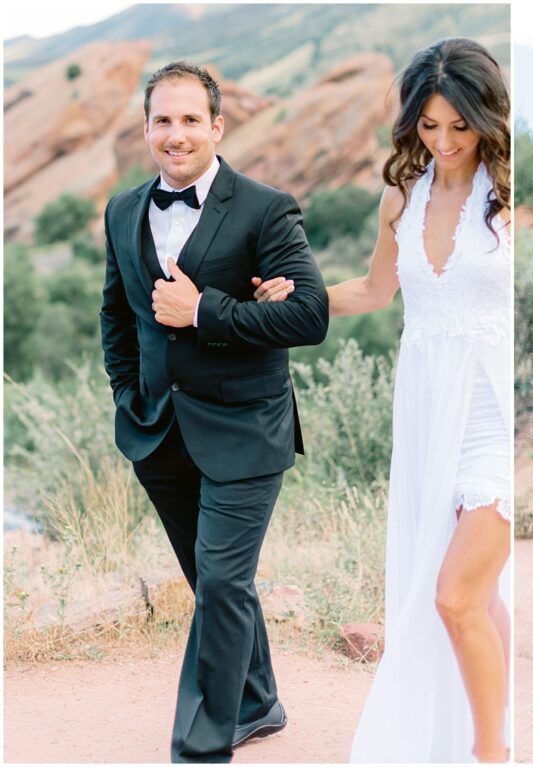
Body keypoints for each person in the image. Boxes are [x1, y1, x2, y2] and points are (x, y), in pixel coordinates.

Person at [254, 37, 511, 762]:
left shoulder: (518, 193)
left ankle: (493, 752)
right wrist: (294, 298)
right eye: (429, 126)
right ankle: (501, 733)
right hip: (430, 410)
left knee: (456, 596)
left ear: (486, 116)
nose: (445, 141)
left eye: (460, 126)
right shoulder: (402, 197)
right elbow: (374, 291)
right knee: (482, 599)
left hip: (497, 411)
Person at [100, 62, 329, 762]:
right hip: (158, 431)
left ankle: (201, 745)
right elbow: (117, 312)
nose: (177, 135)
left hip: (246, 429)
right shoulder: (122, 209)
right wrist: (126, 393)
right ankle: (258, 700)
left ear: (218, 126)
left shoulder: (264, 208)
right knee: (215, 581)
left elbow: (309, 312)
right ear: (146, 129)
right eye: (163, 121)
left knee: (223, 582)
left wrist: (206, 309)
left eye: (191, 119)